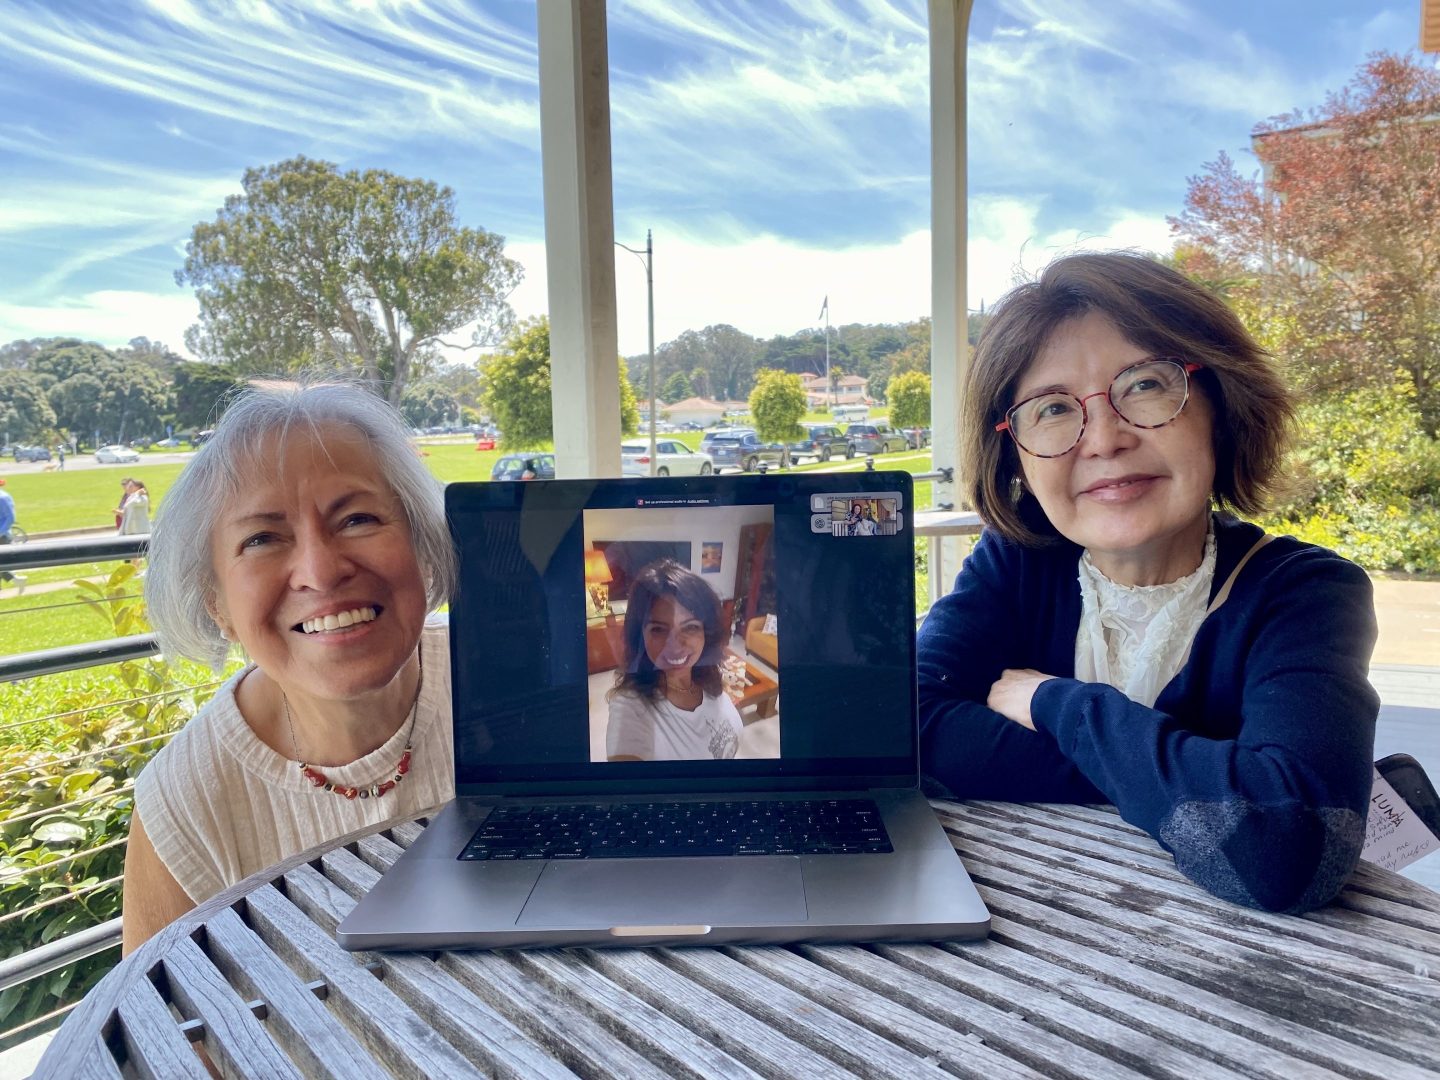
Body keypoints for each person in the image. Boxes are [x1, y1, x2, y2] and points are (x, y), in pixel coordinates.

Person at [918, 252, 1379, 915]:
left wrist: (1055, 704)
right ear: (1014, 454)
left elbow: (1287, 849)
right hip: (1024, 925)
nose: (1104, 439)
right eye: (1053, 408)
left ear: (1219, 405)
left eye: (1143, 385)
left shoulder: (1305, 594)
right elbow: (906, 726)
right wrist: (1186, 779)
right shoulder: (1018, 560)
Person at [121, 380, 458, 953]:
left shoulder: (513, 682)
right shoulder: (186, 801)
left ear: (422, 546)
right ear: (217, 606)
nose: (321, 572)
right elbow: (161, 1008)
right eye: (261, 539)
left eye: (357, 519)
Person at [606, 559, 742, 761]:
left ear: (706, 632)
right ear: (640, 636)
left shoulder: (705, 675)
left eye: (690, 627)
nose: (676, 646)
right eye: (658, 629)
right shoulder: (630, 708)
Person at [0, 477, 24, 594]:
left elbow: (10, 517)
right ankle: (17, 580)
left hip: (2, 536)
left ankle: (17, 580)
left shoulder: (3, 498)